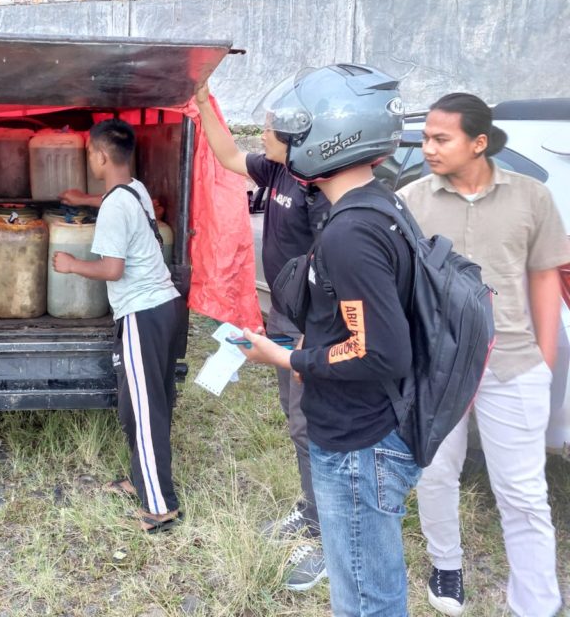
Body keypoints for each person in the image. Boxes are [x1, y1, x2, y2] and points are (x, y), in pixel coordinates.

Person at [238, 64, 421, 616]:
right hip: (368, 426)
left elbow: (378, 350)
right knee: (370, 581)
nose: (284, 145)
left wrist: (290, 356)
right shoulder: (380, 205)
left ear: (326, 139)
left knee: (364, 592)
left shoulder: (349, 233)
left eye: (292, 134)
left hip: (356, 443)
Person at [397, 93, 568, 617]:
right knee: (436, 471)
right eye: (424, 137)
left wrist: (541, 357)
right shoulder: (413, 200)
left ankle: (536, 603)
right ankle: (446, 566)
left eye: (439, 138)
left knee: (522, 492)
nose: (427, 148)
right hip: (438, 366)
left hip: (513, 366)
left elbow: (542, 277)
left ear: (478, 142)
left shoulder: (532, 197)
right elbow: (402, 286)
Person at [194, 81, 330, 590]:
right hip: (284, 316)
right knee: (296, 421)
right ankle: (312, 510)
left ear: (296, 136)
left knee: (310, 422)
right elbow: (226, 153)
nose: (264, 133)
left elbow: (334, 271)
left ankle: (324, 533)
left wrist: (309, 334)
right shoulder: (273, 170)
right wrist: (205, 100)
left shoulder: (317, 189)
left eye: (271, 128)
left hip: (310, 324)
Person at [53, 118, 187, 533]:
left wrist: (72, 264)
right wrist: (84, 198)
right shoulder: (136, 190)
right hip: (166, 307)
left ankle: (160, 506)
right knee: (141, 405)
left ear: (101, 156)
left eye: (89, 153)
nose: (88, 158)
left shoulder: (116, 205)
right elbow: (113, 201)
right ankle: (141, 479)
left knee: (144, 411)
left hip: (142, 314)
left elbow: (113, 269)